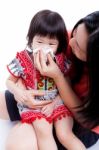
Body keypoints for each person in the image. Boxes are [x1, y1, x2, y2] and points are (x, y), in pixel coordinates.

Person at [0, 10, 99, 149]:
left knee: (52, 136)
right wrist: (19, 92)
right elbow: (10, 81)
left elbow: (66, 84)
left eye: (78, 47)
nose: (70, 42)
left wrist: (57, 81)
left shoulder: (61, 61)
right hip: (36, 103)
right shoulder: (60, 41)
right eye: (74, 32)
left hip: (76, 116)